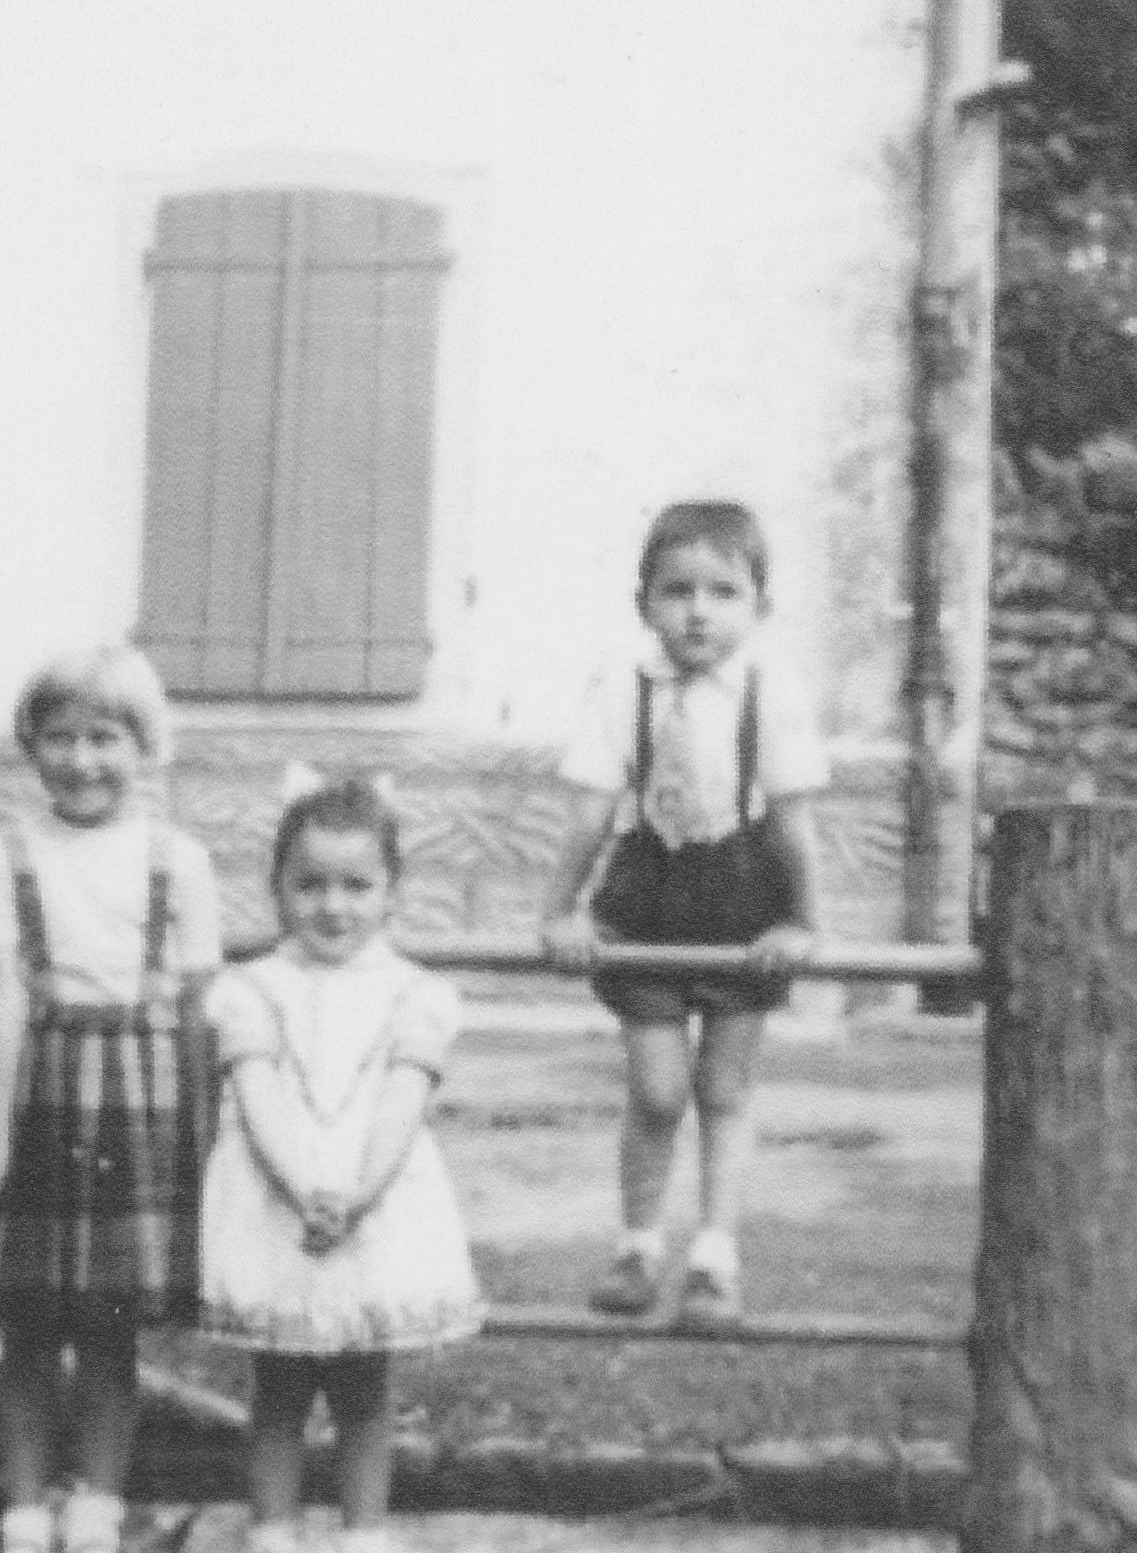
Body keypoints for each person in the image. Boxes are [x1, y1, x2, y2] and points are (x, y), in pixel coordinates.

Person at [0, 646, 223, 1553]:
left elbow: (201, 1007)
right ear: (31, 746)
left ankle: (98, 1502)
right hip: (40, 1091)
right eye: (59, 738)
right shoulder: (7, 854)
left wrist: (208, 1137)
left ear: (145, 746)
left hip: (143, 1100)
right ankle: (26, 1507)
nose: (81, 759)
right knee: (27, 1326)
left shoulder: (179, 859)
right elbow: (4, 993)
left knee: (111, 1329)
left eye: (104, 738)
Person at [542, 499, 823, 1331]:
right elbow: (590, 814)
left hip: (742, 896)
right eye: (677, 590)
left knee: (724, 1090)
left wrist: (802, 922)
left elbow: (793, 823)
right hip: (649, 898)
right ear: (644, 604)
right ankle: (637, 1246)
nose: (699, 611)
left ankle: (714, 1259)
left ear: (760, 607)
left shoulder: (772, 691)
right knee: (658, 1092)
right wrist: (559, 911)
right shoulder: (622, 688)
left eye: (723, 592)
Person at [200, 774, 484, 1553]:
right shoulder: (251, 989)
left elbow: (402, 1102)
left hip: (374, 1201)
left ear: (393, 892)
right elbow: (257, 1096)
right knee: (278, 1388)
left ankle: (364, 1534)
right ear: (277, 888)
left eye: (357, 886)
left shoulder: (415, 994)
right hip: (277, 1204)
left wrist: (358, 1194)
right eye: (310, 885)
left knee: (364, 1390)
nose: (333, 906)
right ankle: (272, 1531)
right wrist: (301, 1189)